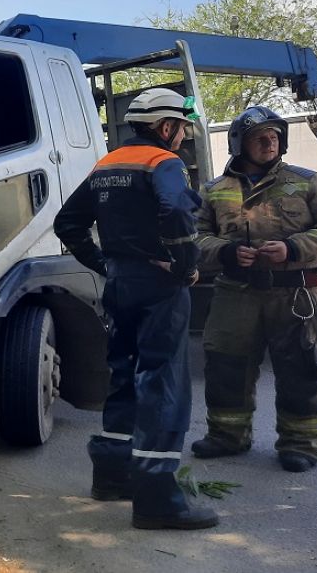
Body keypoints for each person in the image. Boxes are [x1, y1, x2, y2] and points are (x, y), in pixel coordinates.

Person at [54, 88, 218, 530]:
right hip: (158, 284)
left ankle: (111, 477)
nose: (183, 136)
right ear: (165, 127)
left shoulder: (106, 165)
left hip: (120, 283)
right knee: (163, 383)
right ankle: (157, 500)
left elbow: (66, 223)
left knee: (124, 376)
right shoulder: (165, 163)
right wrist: (185, 265)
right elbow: (177, 211)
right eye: (181, 128)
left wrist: (104, 263)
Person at [191, 106, 317, 472]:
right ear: (240, 144)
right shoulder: (215, 190)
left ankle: (300, 444)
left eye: (274, 137)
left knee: (301, 368)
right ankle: (227, 435)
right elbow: (194, 238)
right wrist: (227, 252)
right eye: (259, 138)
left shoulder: (308, 181)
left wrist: (295, 248)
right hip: (236, 293)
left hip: (296, 295)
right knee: (225, 365)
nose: (269, 143)